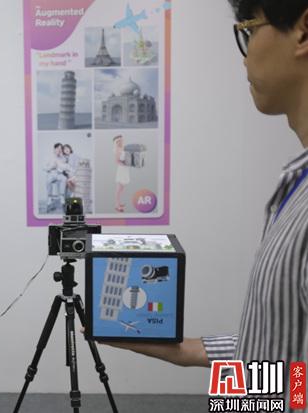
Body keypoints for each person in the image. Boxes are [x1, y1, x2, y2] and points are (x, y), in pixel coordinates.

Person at [97, 0, 308, 407]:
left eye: (249, 30)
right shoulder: (295, 183)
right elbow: (288, 355)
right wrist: (190, 350)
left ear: (303, 30)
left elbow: (296, 386)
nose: (244, 57)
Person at [45, 143, 70, 211]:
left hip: (59, 174)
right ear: (54, 149)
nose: (59, 150)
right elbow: (44, 168)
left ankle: (62, 197)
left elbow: (65, 167)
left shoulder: (63, 158)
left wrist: (61, 169)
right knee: (48, 180)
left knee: (64, 179)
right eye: (58, 148)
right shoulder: (49, 157)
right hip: (51, 173)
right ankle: (49, 197)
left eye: (60, 149)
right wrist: (51, 167)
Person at [113, 135, 129, 212]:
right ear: (116, 142)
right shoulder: (117, 149)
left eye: (121, 140)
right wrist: (124, 164)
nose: (120, 142)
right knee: (119, 189)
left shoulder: (123, 148)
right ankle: (117, 206)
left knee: (122, 188)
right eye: (118, 141)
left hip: (125, 169)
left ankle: (119, 203)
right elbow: (117, 161)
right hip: (121, 170)